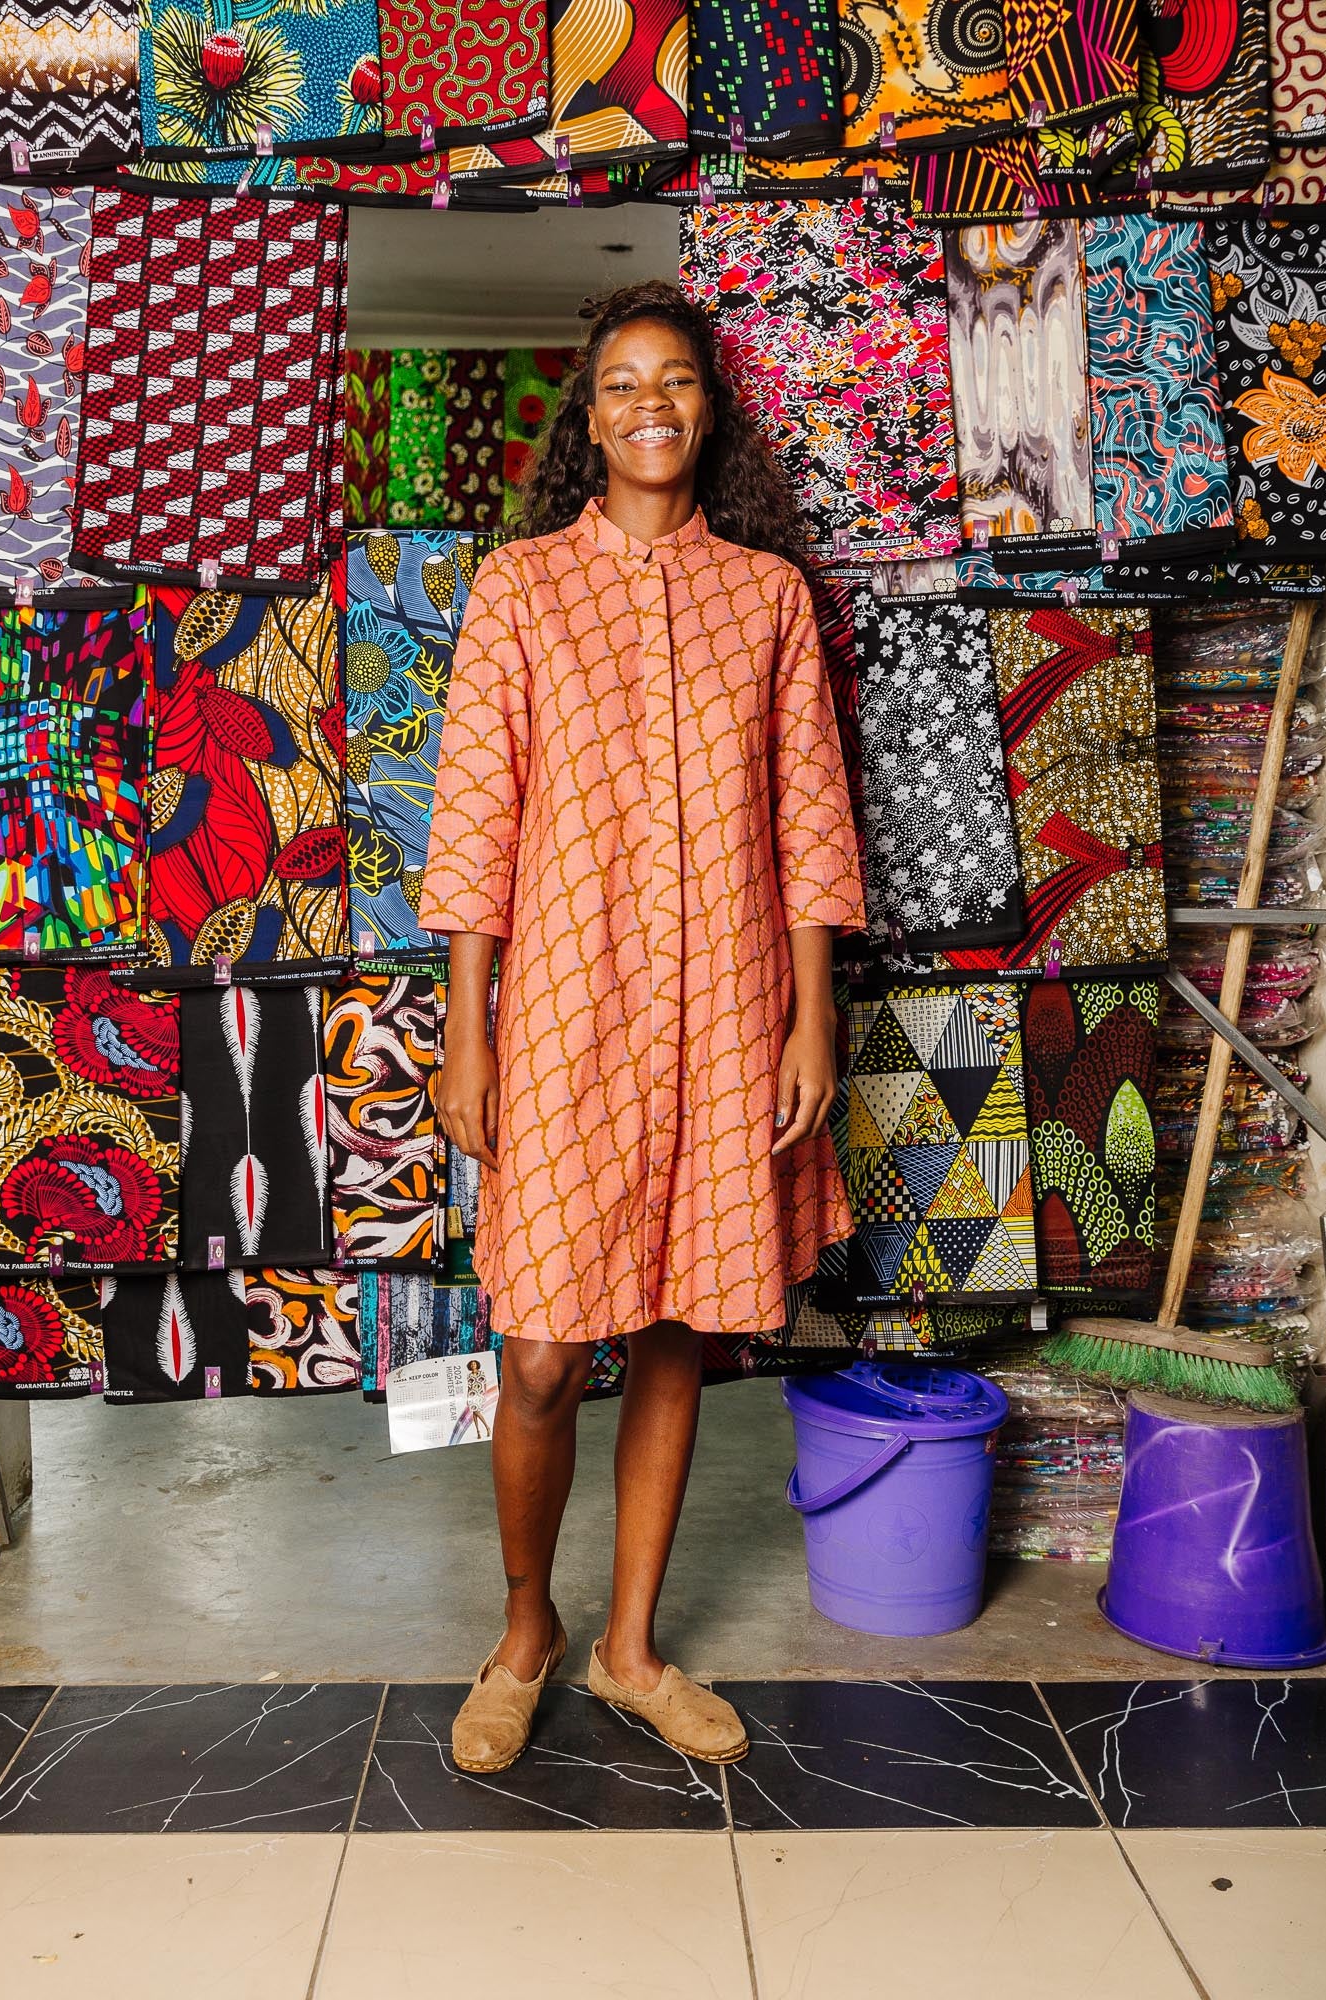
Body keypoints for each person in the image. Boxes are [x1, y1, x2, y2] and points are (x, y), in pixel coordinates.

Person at [418, 279, 864, 1776]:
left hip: (731, 1008)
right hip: (565, 1009)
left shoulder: (767, 598)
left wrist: (812, 1019)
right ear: (587, 415)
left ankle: (629, 1650)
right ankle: (525, 1631)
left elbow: (810, 817)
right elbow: (475, 825)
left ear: (709, 407)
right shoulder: (520, 589)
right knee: (545, 1350)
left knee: (676, 1331)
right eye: (620, 382)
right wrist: (467, 1033)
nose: (650, 403)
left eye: (675, 378)